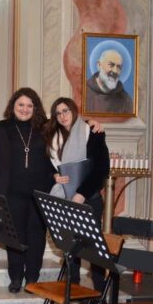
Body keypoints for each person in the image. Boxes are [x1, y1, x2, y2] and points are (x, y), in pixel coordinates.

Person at [0, 88, 54, 292]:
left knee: (36, 236)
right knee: (15, 236)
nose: (25, 109)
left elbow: (69, 128)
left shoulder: (45, 128)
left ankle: (32, 277)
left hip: (40, 192)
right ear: (13, 106)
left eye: (30, 105)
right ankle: (15, 277)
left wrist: (92, 123)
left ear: (36, 108)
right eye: (20, 104)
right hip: (11, 192)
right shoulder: (0, 128)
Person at [45, 97, 110, 290]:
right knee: (70, 245)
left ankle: (99, 294)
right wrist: (54, 176)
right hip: (64, 198)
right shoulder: (52, 139)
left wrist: (81, 194)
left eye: (66, 110)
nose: (62, 116)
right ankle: (72, 288)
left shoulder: (92, 132)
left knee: (93, 247)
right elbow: (45, 167)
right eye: (58, 113)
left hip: (89, 199)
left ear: (74, 110)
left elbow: (101, 170)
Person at [85, 48, 133, 114]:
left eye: (119, 67)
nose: (115, 71)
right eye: (111, 65)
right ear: (99, 65)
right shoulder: (83, 92)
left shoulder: (126, 100)